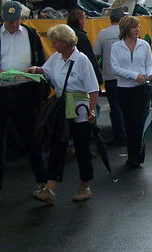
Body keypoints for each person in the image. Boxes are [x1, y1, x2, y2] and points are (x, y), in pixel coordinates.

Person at [0, 0, 47, 205]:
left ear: (21, 18)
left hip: (24, 93)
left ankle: (42, 180)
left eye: (16, 21)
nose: (13, 25)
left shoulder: (31, 35)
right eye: (9, 22)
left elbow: (40, 60)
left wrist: (35, 71)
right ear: (3, 19)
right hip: (1, 94)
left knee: (31, 139)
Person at [27, 25, 99, 204]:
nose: (53, 45)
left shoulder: (81, 60)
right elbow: (46, 71)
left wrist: (91, 111)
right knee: (57, 148)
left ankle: (85, 186)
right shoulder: (56, 58)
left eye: (56, 41)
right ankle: (50, 190)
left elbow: (93, 89)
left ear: (66, 42)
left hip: (79, 111)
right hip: (62, 110)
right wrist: (36, 70)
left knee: (82, 150)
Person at [110, 16, 152, 168]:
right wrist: (134, 76)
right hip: (124, 89)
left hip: (141, 90)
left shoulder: (144, 45)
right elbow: (115, 68)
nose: (137, 30)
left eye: (138, 27)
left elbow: (149, 64)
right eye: (134, 27)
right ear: (126, 29)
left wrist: (150, 74)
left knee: (138, 122)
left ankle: (136, 156)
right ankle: (131, 155)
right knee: (128, 123)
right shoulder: (116, 47)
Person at [93, 8, 128, 147]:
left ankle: (120, 135)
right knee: (127, 105)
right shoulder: (126, 33)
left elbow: (96, 54)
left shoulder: (103, 34)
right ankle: (129, 132)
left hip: (110, 76)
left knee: (115, 106)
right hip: (127, 76)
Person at [67, 9, 102, 84]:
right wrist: (97, 76)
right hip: (81, 73)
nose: (84, 22)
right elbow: (89, 56)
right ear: (79, 20)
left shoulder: (65, 34)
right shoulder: (81, 36)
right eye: (83, 19)